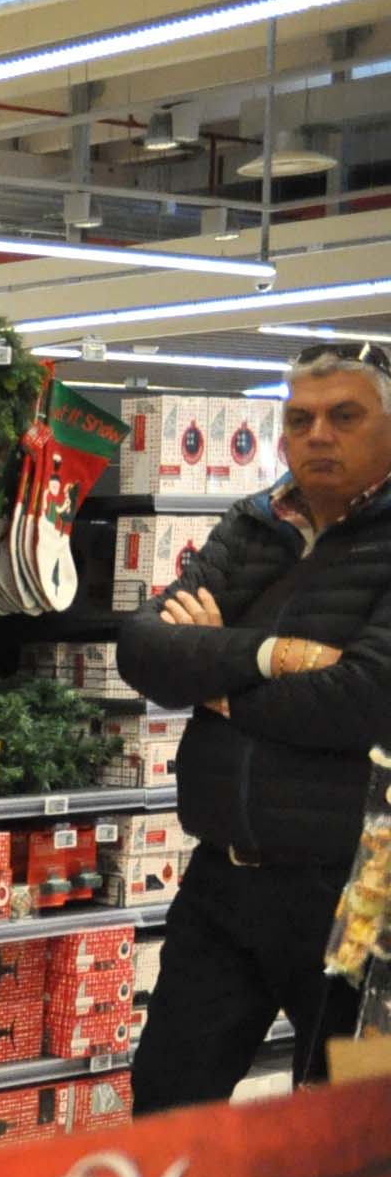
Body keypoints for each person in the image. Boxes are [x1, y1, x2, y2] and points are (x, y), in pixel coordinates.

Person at [117, 344, 391, 1109]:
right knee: (166, 1105)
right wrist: (269, 656)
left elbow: (364, 698)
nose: (318, 435)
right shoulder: (255, 524)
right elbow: (144, 650)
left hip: (358, 897)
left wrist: (216, 679)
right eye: (300, 418)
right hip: (222, 881)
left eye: (344, 416)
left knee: (354, 1122)